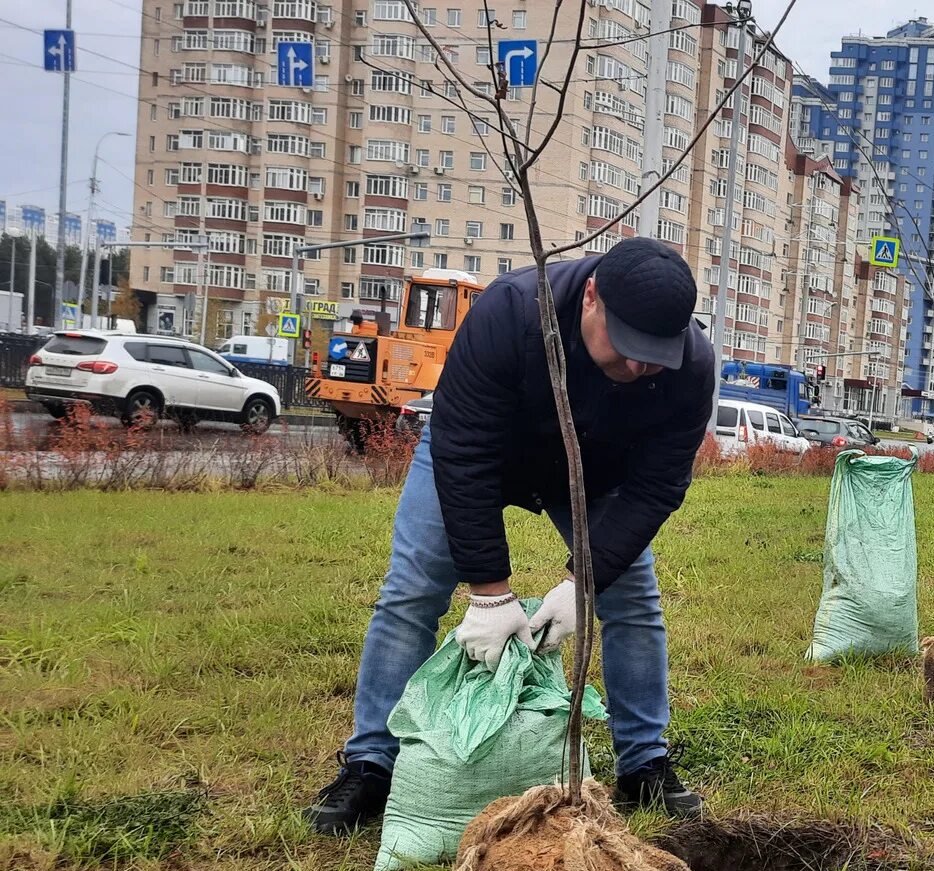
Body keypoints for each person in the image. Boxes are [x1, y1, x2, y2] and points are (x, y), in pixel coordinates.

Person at [305, 237, 715, 836]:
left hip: (595, 472)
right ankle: (371, 763)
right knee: (413, 591)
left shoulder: (691, 366)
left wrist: (584, 581)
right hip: (482, 452)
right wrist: (492, 593)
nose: (638, 369)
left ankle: (644, 762)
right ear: (592, 298)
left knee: (634, 602)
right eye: (627, 350)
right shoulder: (511, 311)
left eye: (655, 356)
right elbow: (464, 453)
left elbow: (656, 487)